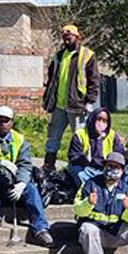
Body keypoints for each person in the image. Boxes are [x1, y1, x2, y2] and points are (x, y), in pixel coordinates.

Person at [0, 106, 52, 247]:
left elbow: (25, 165)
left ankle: (40, 228)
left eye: (6, 121)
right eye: (0, 120)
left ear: (12, 122)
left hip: (12, 183)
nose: (3, 124)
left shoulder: (19, 139)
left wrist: (21, 184)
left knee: (31, 189)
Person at [42, 24, 101, 172]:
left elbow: (94, 80)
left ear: (77, 37)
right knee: (53, 137)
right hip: (59, 105)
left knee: (80, 137)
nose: (67, 38)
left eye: (70, 36)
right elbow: (51, 80)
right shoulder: (58, 56)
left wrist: (89, 101)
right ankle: (49, 165)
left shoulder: (87, 55)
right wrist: (49, 100)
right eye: (64, 36)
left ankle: (79, 167)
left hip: (77, 105)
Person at [68, 107, 128, 189]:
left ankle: (124, 193)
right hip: (88, 170)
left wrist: (125, 157)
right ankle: (91, 193)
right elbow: (73, 157)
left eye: (104, 121)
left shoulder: (112, 135)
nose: (101, 123)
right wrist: (84, 159)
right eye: (98, 119)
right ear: (92, 119)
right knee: (77, 170)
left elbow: (118, 155)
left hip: (108, 169)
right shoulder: (80, 135)